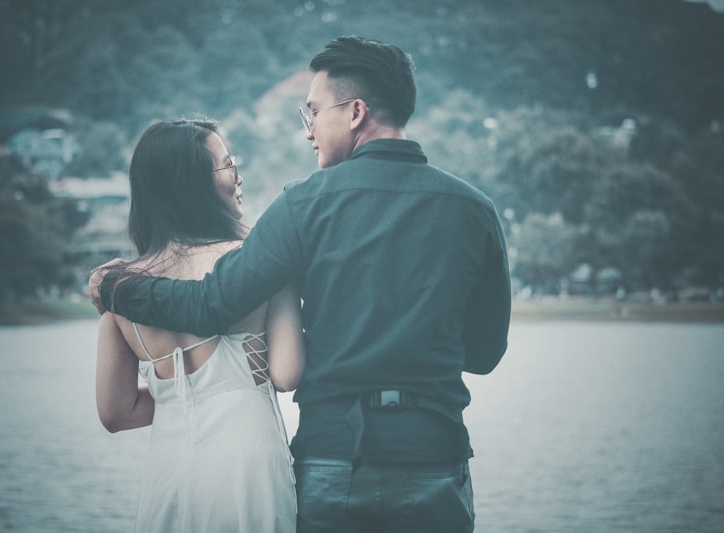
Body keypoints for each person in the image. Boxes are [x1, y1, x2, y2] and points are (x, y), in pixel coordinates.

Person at [91, 37, 510, 532]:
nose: (309, 131)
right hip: (433, 456)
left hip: (335, 460)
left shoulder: (302, 205)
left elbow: (210, 305)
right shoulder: (474, 210)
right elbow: (484, 354)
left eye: (312, 112)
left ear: (354, 112)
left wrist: (115, 287)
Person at [94, 117, 304, 533]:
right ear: (193, 183)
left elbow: (116, 413)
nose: (238, 176)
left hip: (169, 466)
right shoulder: (257, 261)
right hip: (247, 461)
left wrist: (180, 393)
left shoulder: (120, 287)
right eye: (228, 165)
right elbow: (286, 373)